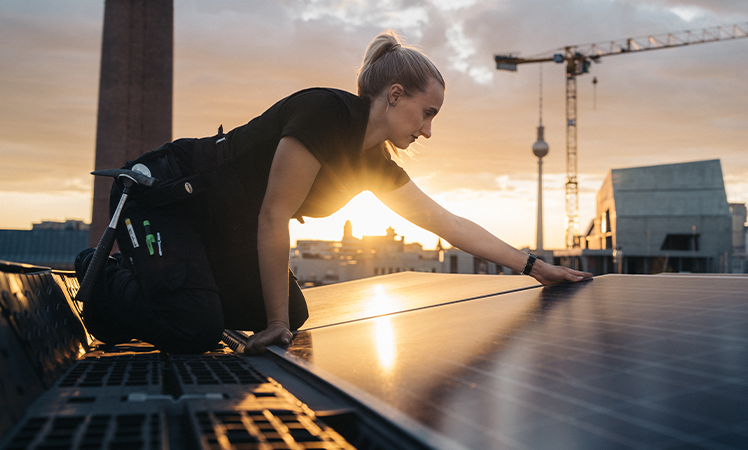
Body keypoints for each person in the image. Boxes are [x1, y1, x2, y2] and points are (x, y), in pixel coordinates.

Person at [77, 30, 592, 355]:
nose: (429, 131)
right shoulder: (324, 114)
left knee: (292, 316)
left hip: (221, 229)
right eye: (427, 113)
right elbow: (273, 215)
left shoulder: (374, 164)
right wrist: (273, 321)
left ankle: (177, 289)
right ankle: (103, 280)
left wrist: (533, 267)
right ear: (395, 96)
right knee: (196, 327)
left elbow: (447, 224)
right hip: (163, 196)